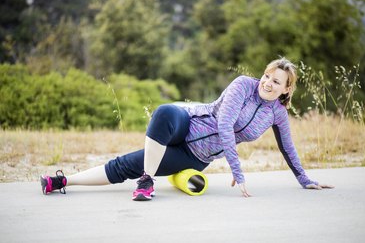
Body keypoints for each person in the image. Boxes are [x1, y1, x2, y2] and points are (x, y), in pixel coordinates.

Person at [40, 57, 334, 201]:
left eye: (276, 81)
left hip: (195, 157)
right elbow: (224, 124)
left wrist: (304, 178)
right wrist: (237, 169)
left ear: (286, 88)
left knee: (124, 165)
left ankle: (61, 183)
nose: (267, 82)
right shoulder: (243, 85)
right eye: (266, 75)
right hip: (188, 123)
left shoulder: (278, 114)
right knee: (165, 111)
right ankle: (146, 181)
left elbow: (288, 148)